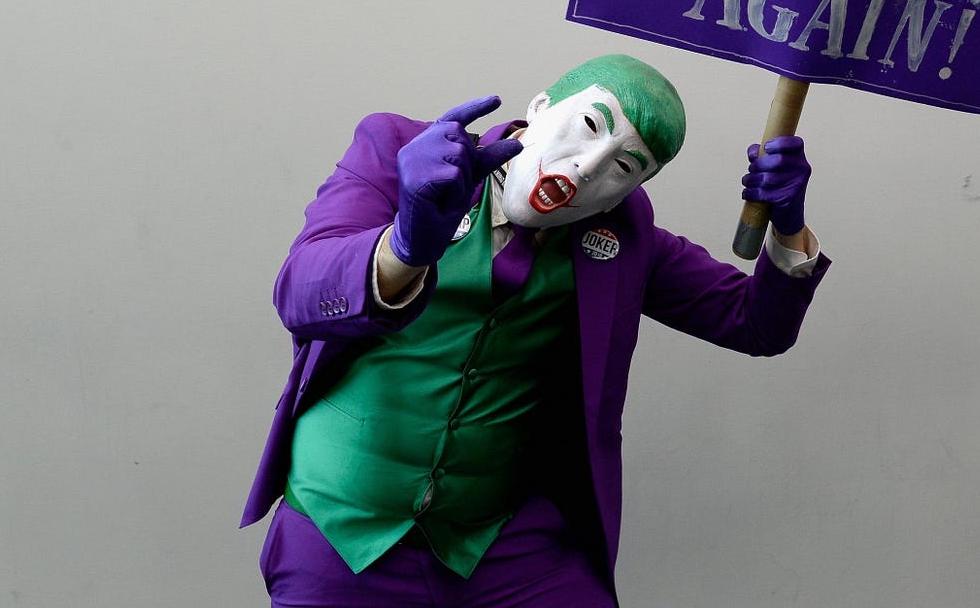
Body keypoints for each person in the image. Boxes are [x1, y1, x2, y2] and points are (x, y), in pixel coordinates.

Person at [241, 54, 830, 607]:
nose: (587, 167)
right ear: (542, 106)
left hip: (497, 546)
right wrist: (403, 247)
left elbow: (756, 324)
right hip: (340, 528)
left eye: (624, 167)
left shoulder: (626, 238)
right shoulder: (400, 152)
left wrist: (787, 227)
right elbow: (299, 294)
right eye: (589, 127)